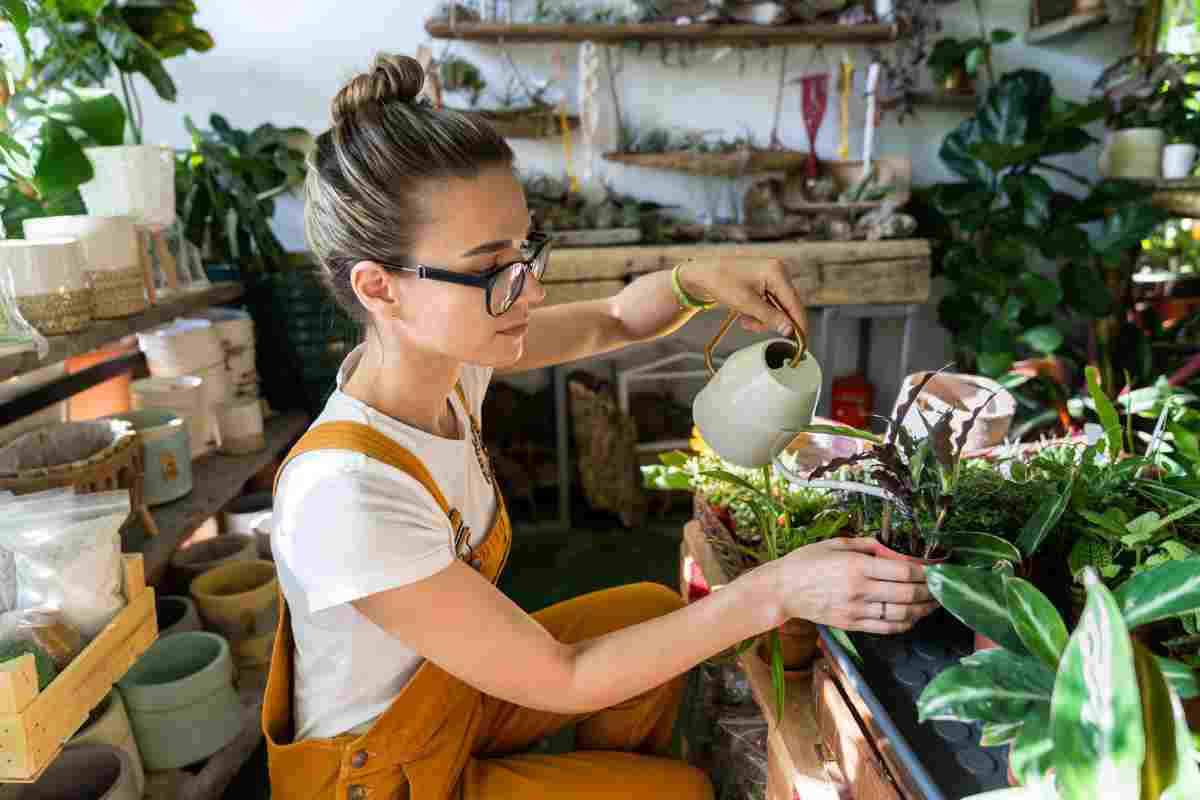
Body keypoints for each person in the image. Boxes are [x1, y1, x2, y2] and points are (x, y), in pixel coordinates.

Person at [261, 53, 937, 800]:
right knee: (679, 790)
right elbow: (565, 676)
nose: (530, 286)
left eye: (525, 249)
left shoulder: (450, 364)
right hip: (381, 775)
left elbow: (611, 319)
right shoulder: (345, 494)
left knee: (648, 616)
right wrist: (780, 590)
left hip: (443, 698)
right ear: (377, 286)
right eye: (493, 268)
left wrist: (698, 277)